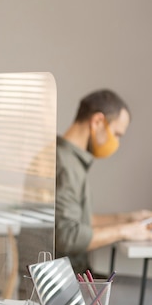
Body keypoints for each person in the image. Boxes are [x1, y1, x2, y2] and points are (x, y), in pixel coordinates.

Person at [55, 89, 152, 275]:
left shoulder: (70, 159)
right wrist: (125, 230)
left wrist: (129, 218)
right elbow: (67, 236)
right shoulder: (64, 164)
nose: (116, 143)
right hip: (66, 280)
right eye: (117, 134)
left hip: (74, 274)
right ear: (97, 121)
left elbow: (77, 220)